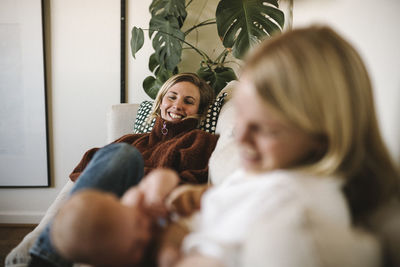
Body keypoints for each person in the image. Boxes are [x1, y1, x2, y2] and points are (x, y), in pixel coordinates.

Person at [160, 26, 400, 267]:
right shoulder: (262, 171)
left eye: (266, 128)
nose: (240, 139)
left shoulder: (293, 216)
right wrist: (196, 202)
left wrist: (170, 250)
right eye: (241, 116)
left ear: (325, 136)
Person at [28, 72, 219, 267]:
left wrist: (151, 186)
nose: (178, 105)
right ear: (161, 101)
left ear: (199, 111)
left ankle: (46, 258)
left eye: (188, 101)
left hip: (148, 208)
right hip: (107, 206)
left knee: (125, 154)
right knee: (124, 152)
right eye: (172, 97)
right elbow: (87, 170)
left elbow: (192, 182)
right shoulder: (130, 140)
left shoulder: (200, 139)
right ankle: (47, 255)